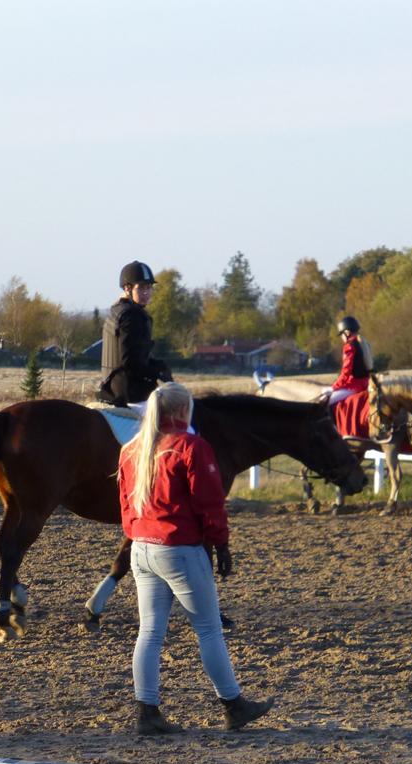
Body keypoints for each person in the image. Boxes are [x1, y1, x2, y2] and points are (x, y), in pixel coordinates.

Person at [118, 381, 275, 735]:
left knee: (150, 631)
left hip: (142, 547)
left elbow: (126, 506)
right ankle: (233, 705)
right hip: (180, 549)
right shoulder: (192, 447)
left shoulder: (131, 449)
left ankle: (147, 711)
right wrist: (221, 544)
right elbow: (210, 504)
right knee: (208, 629)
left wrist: (137, 535)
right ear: (181, 412)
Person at [96, 260, 173, 410]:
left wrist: (157, 364)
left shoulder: (117, 310)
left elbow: (135, 355)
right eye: (142, 288)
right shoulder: (132, 316)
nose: (147, 293)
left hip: (111, 386)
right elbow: (130, 362)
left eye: (149, 287)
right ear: (127, 288)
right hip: (129, 392)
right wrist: (157, 372)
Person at [323, 316, 373, 407]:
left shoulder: (349, 346)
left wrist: (333, 387)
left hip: (355, 386)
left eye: (341, 334)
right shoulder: (364, 342)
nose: (342, 338)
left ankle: (334, 422)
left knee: (326, 401)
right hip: (366, 383)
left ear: (347, 332)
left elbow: (346, 372)